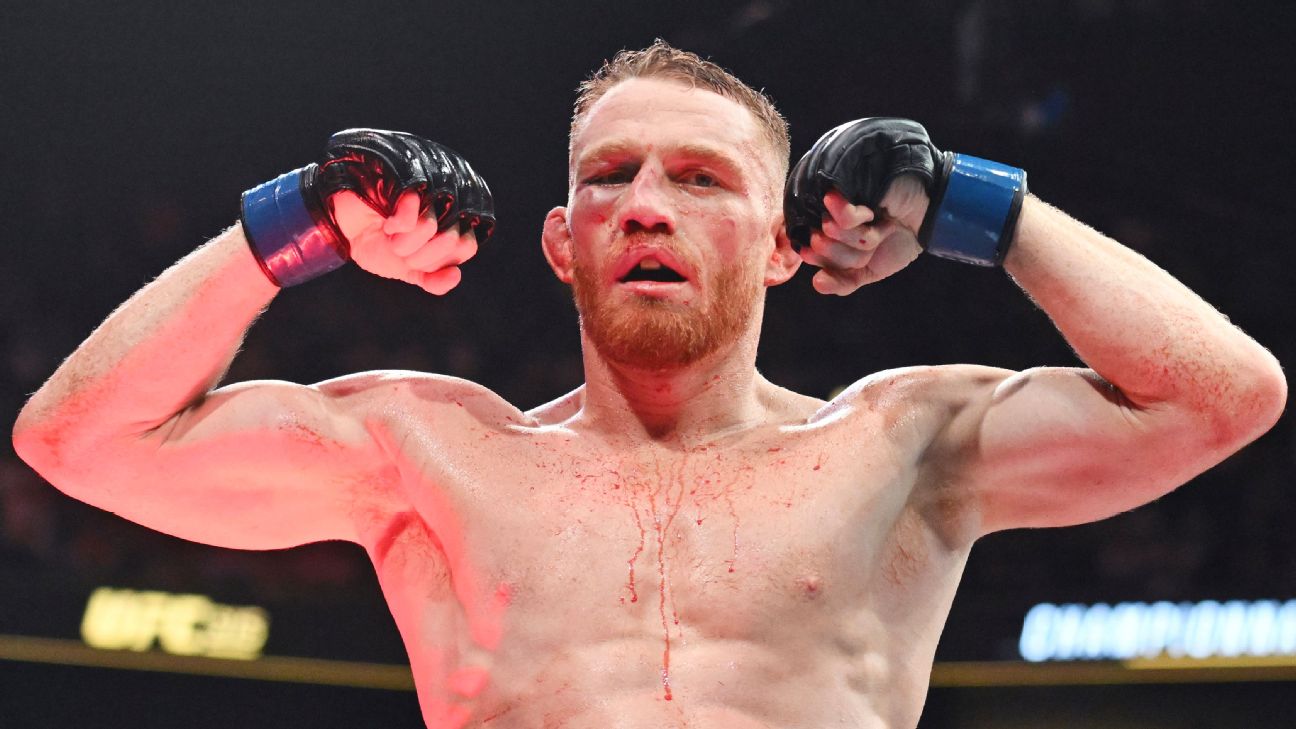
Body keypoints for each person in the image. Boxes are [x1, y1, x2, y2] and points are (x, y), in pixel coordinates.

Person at [12, 40, 1286, 729]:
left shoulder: (899, 445)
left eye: (701, 178)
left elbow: (1224, 397)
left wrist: (966, 203)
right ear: (562, 243)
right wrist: (304, 220)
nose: (645, 206)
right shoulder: (430, 450)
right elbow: (77, 441)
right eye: (609, 175)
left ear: (784, 246)